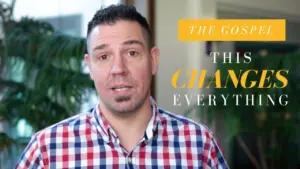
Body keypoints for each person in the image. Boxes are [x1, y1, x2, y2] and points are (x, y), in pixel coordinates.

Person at [15, 4, 229, 169]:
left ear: (153, 60)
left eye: (132, 53)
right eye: (104, 56)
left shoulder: (199, 144)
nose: (118, 68)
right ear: (90, 66)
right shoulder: (46, 150)